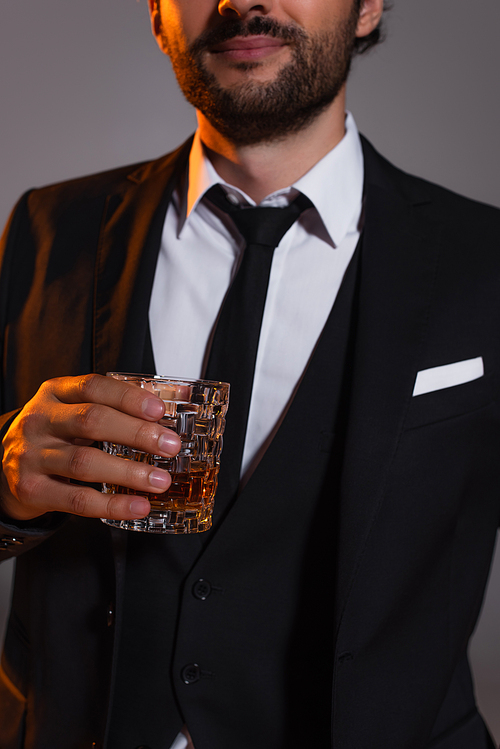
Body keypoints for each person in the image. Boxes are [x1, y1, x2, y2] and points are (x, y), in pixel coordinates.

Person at [0, 0, 499, 746]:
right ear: (157, 13)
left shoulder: (482, 261)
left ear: (368, 8)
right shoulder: (48, 227)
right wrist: (6, 492)